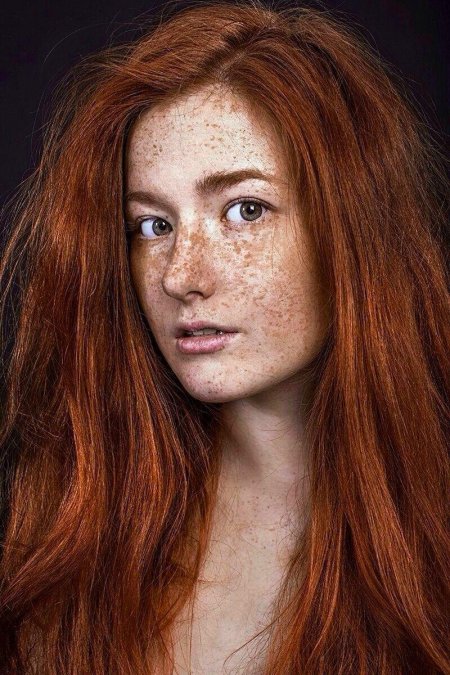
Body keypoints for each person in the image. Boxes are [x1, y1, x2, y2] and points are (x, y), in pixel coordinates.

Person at [0, 1, 448, 673]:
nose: (181, 275)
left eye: (245, 209)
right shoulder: (81, 525)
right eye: (153, 225)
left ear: (353, 227)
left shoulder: (432, 529)